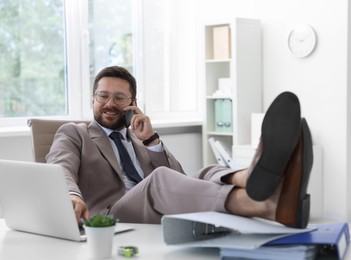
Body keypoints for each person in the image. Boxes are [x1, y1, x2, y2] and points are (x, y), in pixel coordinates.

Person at [46, 66, 313, 229]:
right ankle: (265, 204)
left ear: (132, 102)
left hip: (155, 202)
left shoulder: (138, 136)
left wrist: (151, 141)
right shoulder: (75, 133)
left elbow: (180, 179)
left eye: (119, 97)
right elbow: (59, 166)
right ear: (93, 99)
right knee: (158, 180)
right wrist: (72, 195)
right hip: (113, 215)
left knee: (207, 171)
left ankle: (249, 177)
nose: (110, 103)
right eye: (103, 96)